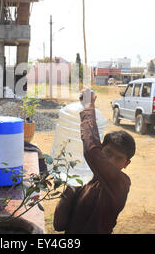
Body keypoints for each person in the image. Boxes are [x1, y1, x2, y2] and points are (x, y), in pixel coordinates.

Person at [53, 88, 136, 234]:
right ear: (102, 149)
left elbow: (92, 152)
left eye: (118, 158)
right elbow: (59, 224)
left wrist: (88, 108)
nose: (110, 161)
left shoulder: (120, 184)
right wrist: (71, 186)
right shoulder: (84, 179)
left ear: (126, 164)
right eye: (108, 153)